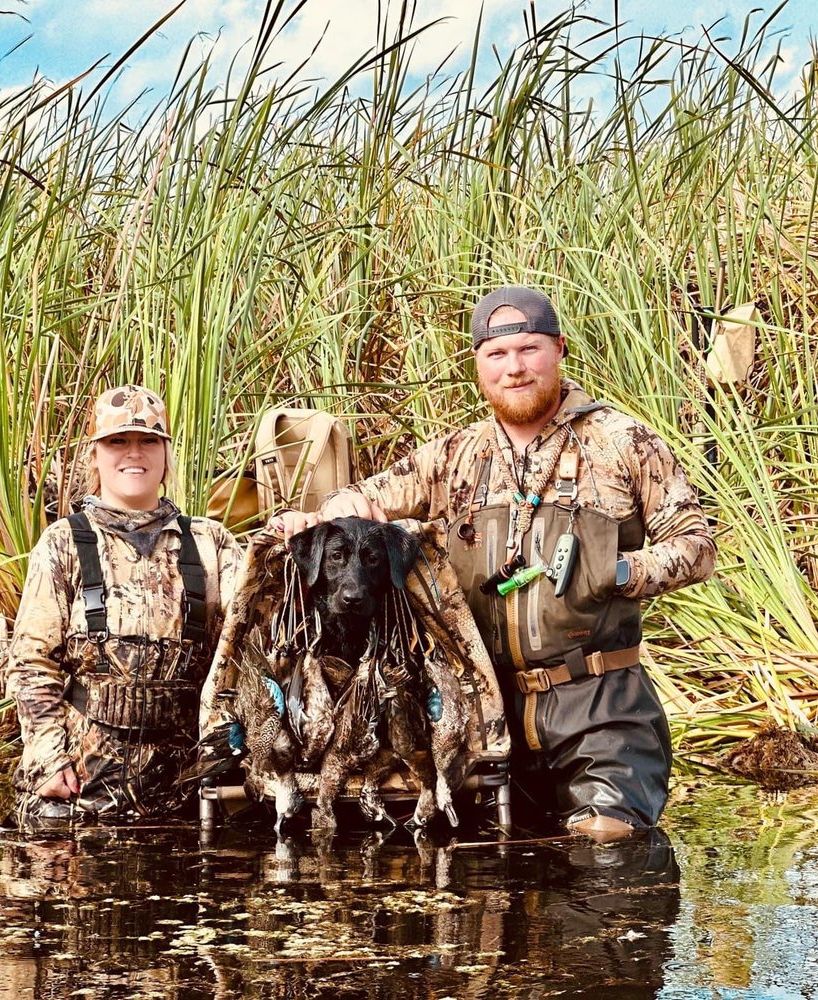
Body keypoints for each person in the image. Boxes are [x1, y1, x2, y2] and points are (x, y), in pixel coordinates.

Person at [274, 285, 715, 841]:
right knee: (493, 873)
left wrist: (619, 573)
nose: (515, 369)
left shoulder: (623, 441)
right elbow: (359, 502)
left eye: (529, 350)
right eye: (497, 356)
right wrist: (324, 512)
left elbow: (696, 549)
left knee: (607, 848)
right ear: (479, 365)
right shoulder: (456, 454)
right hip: (486, 710)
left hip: (600, 704)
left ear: (559, 350)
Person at [3, 384, 242, 829]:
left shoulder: (211, 543)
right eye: (118, 441)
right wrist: (48, 761)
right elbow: (31, 663)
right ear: (95, 456)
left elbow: (250, 641)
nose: (134, 453)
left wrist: (290, 539)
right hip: (81, 793)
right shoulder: (65, 544)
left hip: (188, 792)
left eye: (148, 441)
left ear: (166, 454)